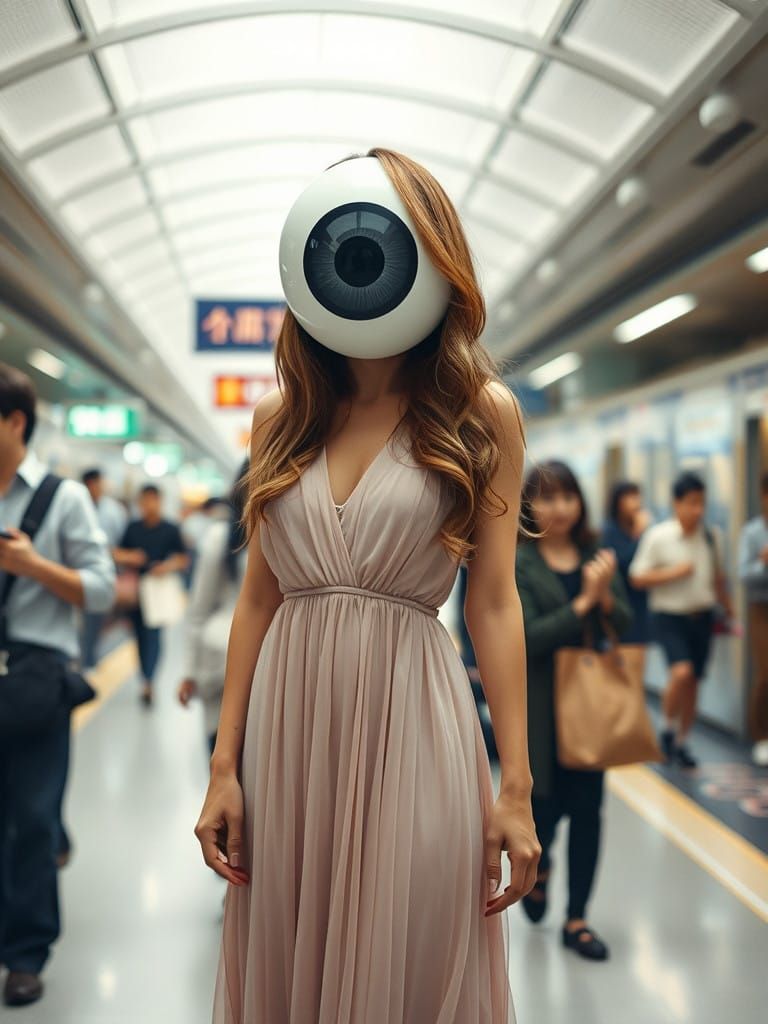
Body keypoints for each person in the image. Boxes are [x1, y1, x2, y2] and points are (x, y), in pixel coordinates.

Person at [195, 148, 540, 1023]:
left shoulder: (480, 412)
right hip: (290, 732)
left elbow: (495, 601)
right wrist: (223, 765)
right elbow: (258, 602)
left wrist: (516, 787)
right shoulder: (281, 416)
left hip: (416, 720)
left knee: (411, 948)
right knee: (291, 958)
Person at [0, 363, 115, 1007]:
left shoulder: (61, 499)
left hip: (38, 678)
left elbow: (99, 588)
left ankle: (25, 953)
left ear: (15, 422)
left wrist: (31, 565)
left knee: (35, 821)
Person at [515, 460, 632, 963]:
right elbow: (525, 638)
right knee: (543, 810)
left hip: (589, 710)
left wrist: (604, 600)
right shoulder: (518, 562)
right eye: (546, 497)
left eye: (567, 497)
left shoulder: (595, 556)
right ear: (528, 506)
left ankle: (578, 918)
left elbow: (625, 623)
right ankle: (539, 873)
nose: (559, 508)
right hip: (540, 712)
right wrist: (582, 605)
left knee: (589, 813)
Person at [629, 471, 732, 769]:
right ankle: (666, 730)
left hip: (703, 618)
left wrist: (730, 611)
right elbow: (637, 577)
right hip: (669, 617)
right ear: (676, 503)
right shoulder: (659, 537)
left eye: (702, 503)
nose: (697, 510)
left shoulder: (712, 537)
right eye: (691, 503)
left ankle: (683, 742)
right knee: (681, 673)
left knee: (694, 683)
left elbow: (718, 579)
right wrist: (674, 572)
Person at [178, 462, 249, 756]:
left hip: (256, 661)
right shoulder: (221, 538)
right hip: (222, 661)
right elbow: (199, 609)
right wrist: (190, 671)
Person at [114, 485, 189, 706]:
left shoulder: (170, 529)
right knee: (139, 636)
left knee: (154, 635)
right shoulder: (133, 528)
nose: (148, 505)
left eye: (152, 500)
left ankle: (149, 680)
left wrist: (167, 567)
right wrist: (131, 557)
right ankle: (145, 677)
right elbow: (116, 552)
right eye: (144, 500)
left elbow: (183, 558)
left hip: (158, 591)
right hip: (136, 592)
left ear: (160, 501)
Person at [80, 468, 127, 668]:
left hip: (104, 573)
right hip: (77, 570)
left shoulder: (114, 511)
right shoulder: (76, 505)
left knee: (95, 617)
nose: (97, 488)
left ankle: (88, 659)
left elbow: (123, 542)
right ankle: (83, 657)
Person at [738, 471, 768, 767]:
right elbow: (743, 574)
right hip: (762, 607)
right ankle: (760, 735)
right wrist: (763, 562)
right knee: (765, 672)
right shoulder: (753, 533)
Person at [602, 481, 651, 644]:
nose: (636, 502)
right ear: (618, 502)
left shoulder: (641, 530)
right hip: (620, 601)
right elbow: (623, 564)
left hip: (641, 603)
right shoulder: (609, 531)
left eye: (637, 496)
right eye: (630, 497)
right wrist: (638, 534)